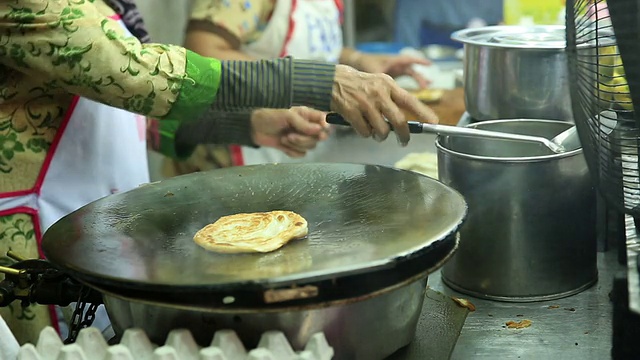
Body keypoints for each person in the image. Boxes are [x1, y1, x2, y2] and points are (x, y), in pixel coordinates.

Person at [0, 0, 437, 344]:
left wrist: (249, 123)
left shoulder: (98, 3)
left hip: (99, 233)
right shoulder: (27, 5)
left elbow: (126, 115)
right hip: (31, 248)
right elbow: (141, 75)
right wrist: (317, 81)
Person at [162, 0, 434, 177]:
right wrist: (311, 82)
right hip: (227, 165)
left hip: (291, 151)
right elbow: (200, 55)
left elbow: (304, 46)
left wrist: (356, 61)